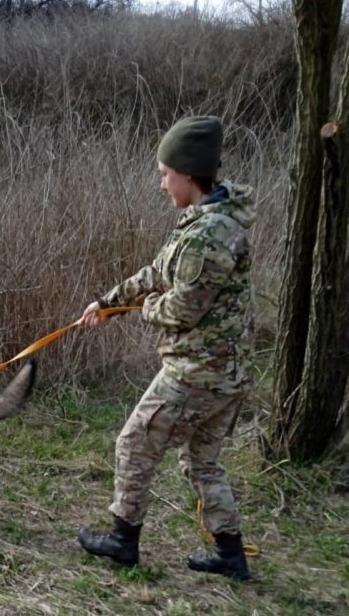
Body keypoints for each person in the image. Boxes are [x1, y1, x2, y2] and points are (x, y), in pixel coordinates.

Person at [77, 115, 255, 580]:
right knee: (202, 461)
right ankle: (230, 554)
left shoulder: (211, 235)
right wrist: (106, 302)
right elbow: (156, 273)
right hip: (222, 374)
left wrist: (145, 309)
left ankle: (122, 540)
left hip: (200, 372)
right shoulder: (199, 224)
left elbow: (181, 310)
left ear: (187, 174)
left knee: (134, 443)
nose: (160, 183)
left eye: (164, 174)